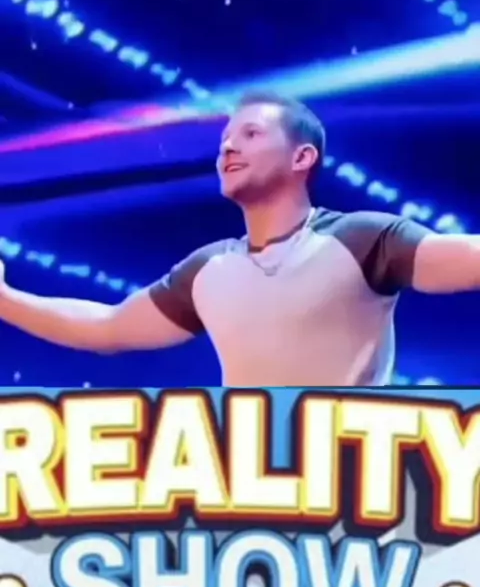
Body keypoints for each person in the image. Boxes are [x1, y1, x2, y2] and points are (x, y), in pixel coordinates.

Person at [0, 91, 478, 386]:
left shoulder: (362, 239)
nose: (228, 146)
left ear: (302, 157)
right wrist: (4, 299)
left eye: (251, 134)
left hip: (348, 495)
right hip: (244, 497)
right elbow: (108, 326)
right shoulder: (209, 269)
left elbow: (467, 257)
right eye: (225, 140)